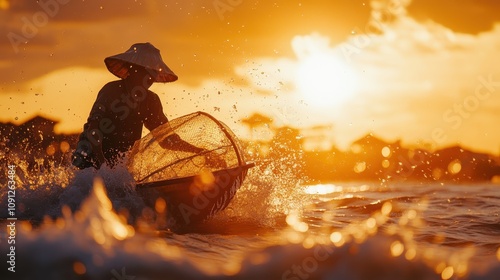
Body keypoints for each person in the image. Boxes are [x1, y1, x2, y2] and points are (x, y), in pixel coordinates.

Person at [72, 42, 203, 169]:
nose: (150, 79)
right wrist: (103, 165)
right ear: (133, 69)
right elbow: (93, 129)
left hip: (119, 165)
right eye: (147, 73)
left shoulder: (151, 101)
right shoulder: (111, 91)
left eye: (153, 74)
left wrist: (199, 151)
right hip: (88, 159)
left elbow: (166, 139)